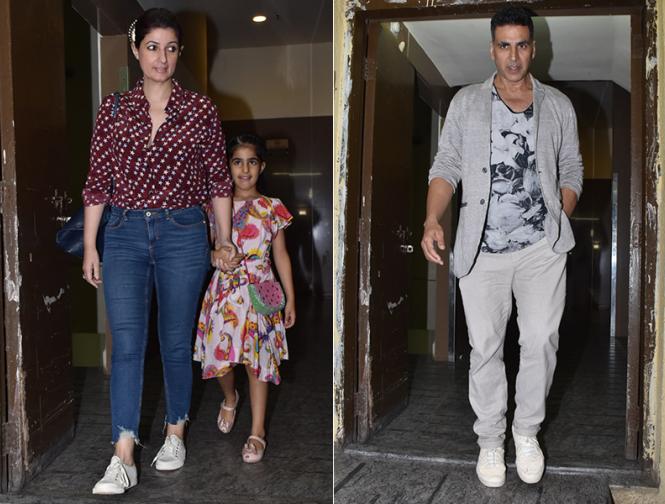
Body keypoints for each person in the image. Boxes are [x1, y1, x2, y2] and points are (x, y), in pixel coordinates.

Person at [421, 6, 583, 488]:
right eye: (504, 46)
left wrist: (558, 214)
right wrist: (431, 218)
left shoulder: (558, 105)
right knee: (486, 347)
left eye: (522, 45)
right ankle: (491, 439)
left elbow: (572, 169)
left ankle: (527, 433)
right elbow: (446, 165)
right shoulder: (467, 103)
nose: (514, 56)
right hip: (481, 250)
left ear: (534, 48)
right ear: (491, 49)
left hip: (541, 248)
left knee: (541, 340)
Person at [82, 8, 238, 495]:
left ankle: (175, 431)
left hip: (183, 231)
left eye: (171, 48)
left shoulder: (201, 110)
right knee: (127, 343)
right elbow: (97, 183)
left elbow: (218, 181)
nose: (162, 58)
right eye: (152, 47)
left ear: (179, 53)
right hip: (124, 231)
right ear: (136, 50)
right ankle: (123, 453)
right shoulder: (113, 110)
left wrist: (224, 238)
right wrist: (90, 246)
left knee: (174, 341)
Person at [194, 134, 296, 463]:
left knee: (258, 362)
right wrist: (215, 257)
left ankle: (257, 432)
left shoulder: (272, 207)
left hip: (261, 293)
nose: (245, 169)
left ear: (261, 166)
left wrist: (290, 299)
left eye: (252, 162)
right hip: (224, 291)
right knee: (219, 360)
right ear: (227, 166)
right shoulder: (214, 206)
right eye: (237, 162)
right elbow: (204, 249)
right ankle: (230, 397)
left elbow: (281, 255)